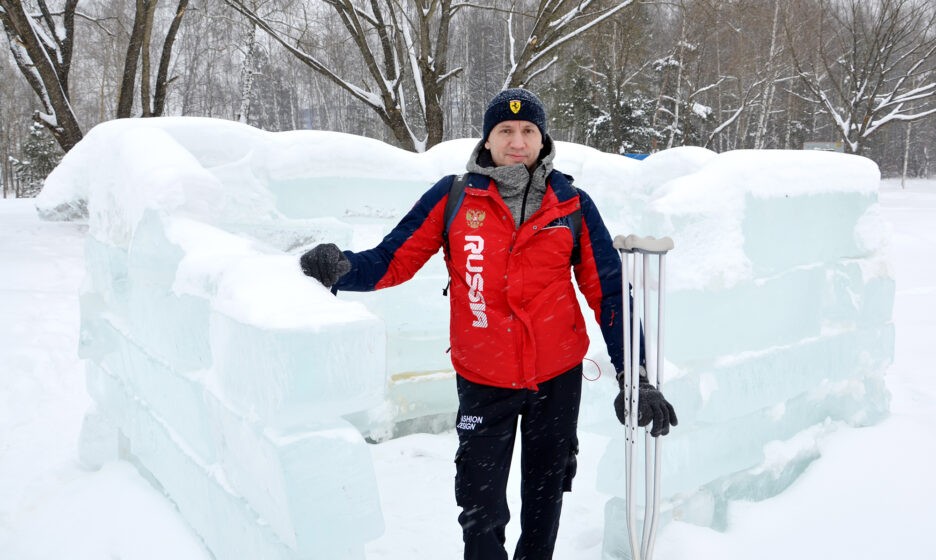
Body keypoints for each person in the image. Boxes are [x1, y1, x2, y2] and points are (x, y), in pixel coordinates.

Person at [300, 88, 677, 560]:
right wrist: (342, 269)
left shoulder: (572, 205)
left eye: (528, 131)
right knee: (480, 508)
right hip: (483, 376)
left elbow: (610, 292)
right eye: (505, 130)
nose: (517, 141)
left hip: (556, 379)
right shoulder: (454, 197)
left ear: (543, 139)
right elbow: (393, 259)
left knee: (544, 504)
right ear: (488, 139)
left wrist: (634, 375)